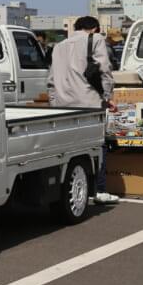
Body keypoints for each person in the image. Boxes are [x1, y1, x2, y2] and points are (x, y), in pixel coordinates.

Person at [47, 16, 118, 204]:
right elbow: (104, 69)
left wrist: (55, 104)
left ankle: (75, 189)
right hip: (89, 103)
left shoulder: (59, 46)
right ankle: (100, 190)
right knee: (97, 145)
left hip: (63, 105)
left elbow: (51, 80)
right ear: (94, 29)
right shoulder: (96, 39)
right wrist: (107, 96)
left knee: (69, 149)